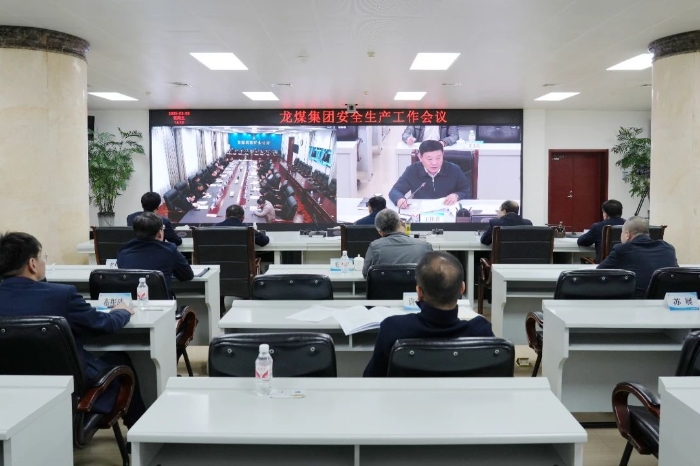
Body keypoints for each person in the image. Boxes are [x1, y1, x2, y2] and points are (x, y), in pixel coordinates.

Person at [0, 232, 146, 427]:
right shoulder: (62, 295)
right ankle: (139, 430)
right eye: (42, 257)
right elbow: (104, 324)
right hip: (68, 387)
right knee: (120, 359)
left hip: (10, 391)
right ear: (32, 264)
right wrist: (122, 311)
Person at [363, 251, 494, 377]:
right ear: (462, 288)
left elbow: (372, 378)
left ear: (419, 292)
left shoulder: (392, 328)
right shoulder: (482, 331)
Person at [598, 216, 678, 298]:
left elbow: (599, 273)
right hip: (665, 302)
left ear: (627, 234)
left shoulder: (622, 250)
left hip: (636, 303)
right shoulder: (669, 249)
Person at [117, 212, 194, 293]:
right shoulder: (169, 250)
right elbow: (187, 275)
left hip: (132, 300)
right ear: (159, 233)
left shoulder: (123, 251)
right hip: (162, 300)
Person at [389, 140, 470, 208]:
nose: (434, 163)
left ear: (443, 155)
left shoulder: (454, 169)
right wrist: (399, 199)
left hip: (448, 209)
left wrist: (456, 196)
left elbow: (466, 191)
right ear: (420, 157)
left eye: (438, 158)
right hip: (421, 210)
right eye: (429, 159)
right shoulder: (412, 170)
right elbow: (395, 191)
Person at [362, 209, 433, 278]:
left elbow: (366, 274)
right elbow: (432, 276)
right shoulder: (425, 247)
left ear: (380, 232)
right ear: (401, 223)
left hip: (386, 286)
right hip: (415, 286)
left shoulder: (375, 247)